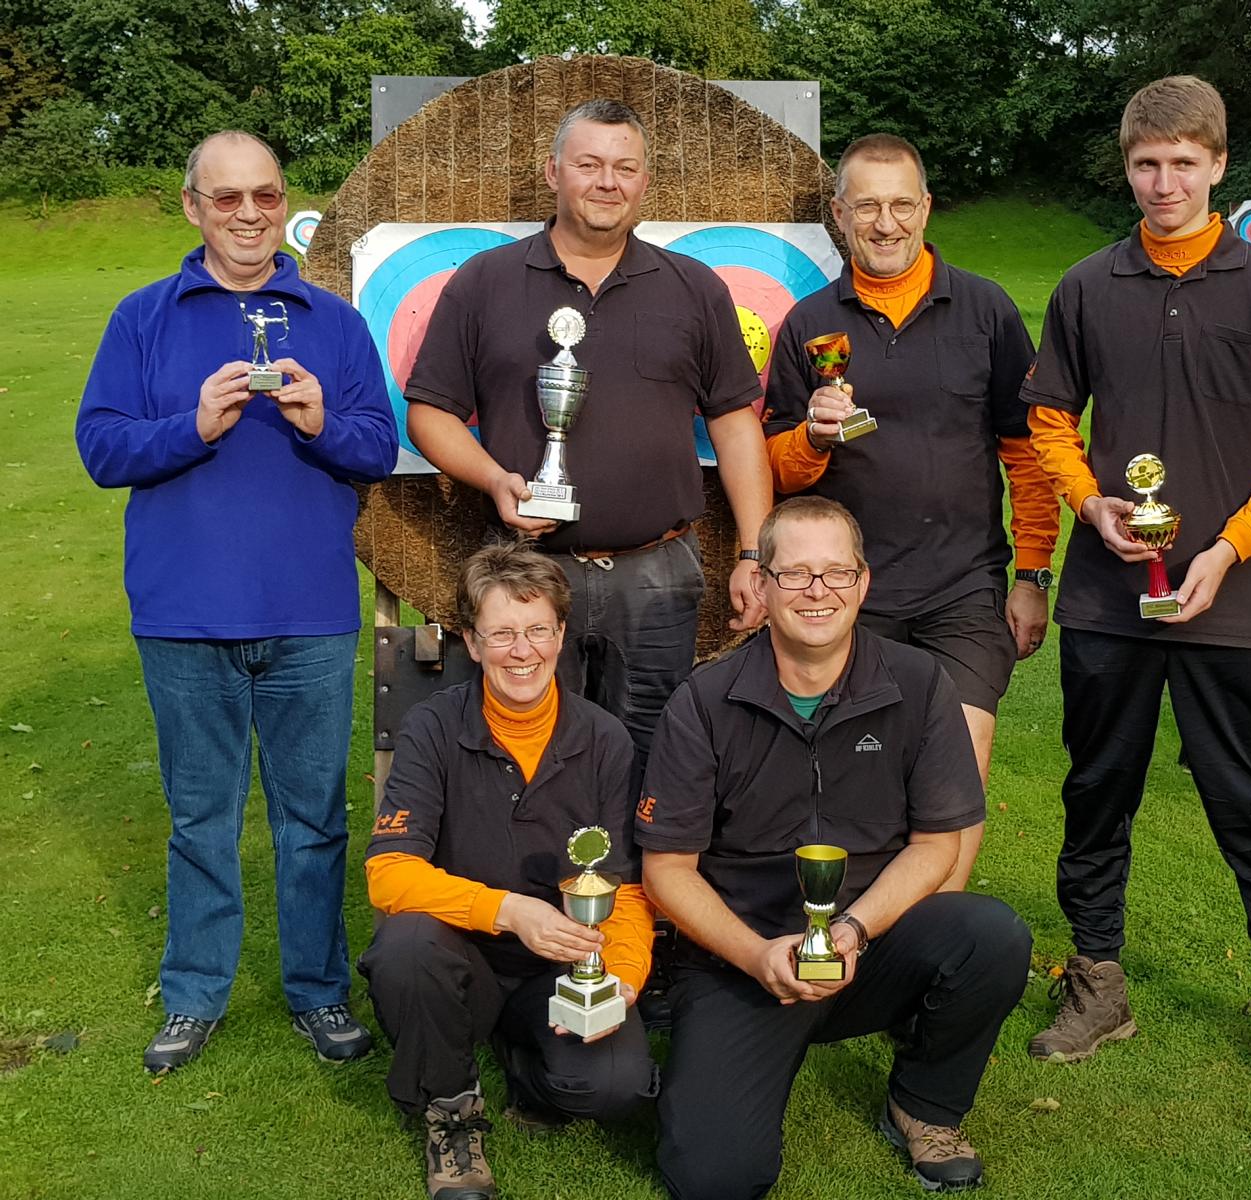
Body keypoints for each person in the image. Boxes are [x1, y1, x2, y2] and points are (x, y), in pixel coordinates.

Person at [1021, 76, 1251, 1090]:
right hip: (1106, 599)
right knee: (1095, 792)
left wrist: (1228, 549)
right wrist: (1089, 506)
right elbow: (1047, 424)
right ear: (1127, 167)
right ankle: (1097, 984)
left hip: (1228, 599)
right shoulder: (1085, 286)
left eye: (1184, 164)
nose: (1165, 183)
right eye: (1147, 164)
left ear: (1218, 166)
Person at [75, 130, 399, 1072]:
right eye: (227, 198)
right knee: (200, 820)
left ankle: (318, 992)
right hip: (184, 614)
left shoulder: (334, 321)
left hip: (309, 612)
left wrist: (323, 423)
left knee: (315, 821)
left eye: (265, 195)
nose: (249, 214)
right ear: (192, 207)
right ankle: (193, 994)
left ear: (282, 202)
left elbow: (378, 448)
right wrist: (192, 426)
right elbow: (101, 447)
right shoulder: (143, 317)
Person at [638, 497, 1032, 1197]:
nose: (817, 592)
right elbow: (667, 870)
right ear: (762, 586)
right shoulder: (703, 700)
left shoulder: (919, 683)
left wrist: (852, 930)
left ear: (863, 582)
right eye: (795, 575)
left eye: (836, 573)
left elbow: (937, 844)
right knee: (715, 1177)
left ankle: (925, 1106)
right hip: (743, 960)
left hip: (869, 944)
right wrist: (756, 956)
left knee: (990, 935)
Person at [404, 98, 773, 759]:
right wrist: (494, 480)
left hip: (659, 576)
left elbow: (734, 423)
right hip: (528, 575)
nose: (608, 182)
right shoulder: (484, 282)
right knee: (529, 757)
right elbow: (430, 413)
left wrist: (753, 553)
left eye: (625, 168)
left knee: (655, 759)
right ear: (553, 172)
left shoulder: (694, 288)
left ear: (645, 181)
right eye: (589, 164)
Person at [762, 133, 1058, 890]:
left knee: (957, 770)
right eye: (867, 206)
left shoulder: (987, 311)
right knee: (852, 775)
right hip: (844, 591)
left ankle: (937, 937)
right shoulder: (807, 323)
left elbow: (1027, 455)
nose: (885, 223)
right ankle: (854, 929)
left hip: (963, 587)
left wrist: (1032, 575)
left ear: (926, 208)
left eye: (901, 205)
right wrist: (813, 437)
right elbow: (776, 467)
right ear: (839, 215)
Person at [361, 542, 657, 1200]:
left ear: (561, 634)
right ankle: (451, 1112)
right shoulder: (432, 726)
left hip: (562, 967)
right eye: (501, 633)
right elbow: (388, 872)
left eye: (537, 630)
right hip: (459, 957)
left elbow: (629, 890)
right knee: (406, 947)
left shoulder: (606, 740)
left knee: (615, 1086)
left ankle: (525, 1064)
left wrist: (622, 980)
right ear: (471, 641)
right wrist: (509, 911)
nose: (522, 651)